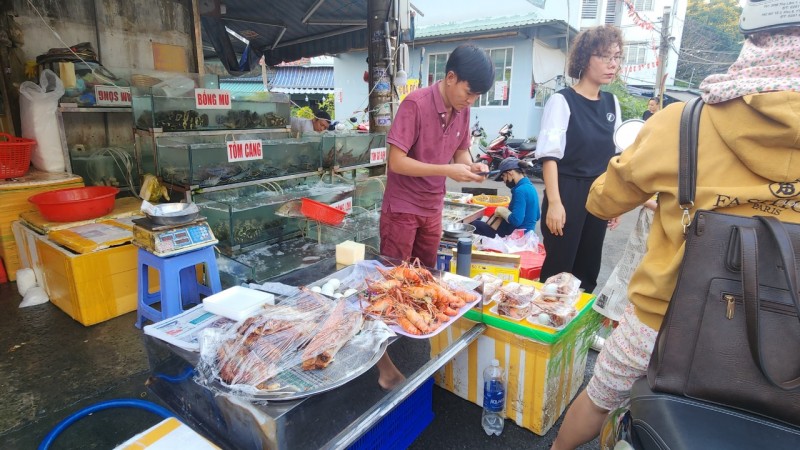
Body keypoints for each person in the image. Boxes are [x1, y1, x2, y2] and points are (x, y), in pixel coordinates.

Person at [550, 4, 800, 449]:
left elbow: (603, 197)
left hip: (666, 315)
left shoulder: (686, 122)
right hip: (789, 332)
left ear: (753, 41)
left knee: (598, 398)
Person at [376, 43, 495, 390]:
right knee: (392, 284)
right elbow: (395, 162)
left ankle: (413, 349)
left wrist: (470, 163)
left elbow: (460, 149)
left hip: (432, 207)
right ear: (450, 77)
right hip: (402, 208)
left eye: (476, 97)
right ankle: (382, 362)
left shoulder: (462, 109)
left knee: (425, 281)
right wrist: (449, 169)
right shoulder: (415, 104)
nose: (470, 101)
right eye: (468, 92)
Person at [535, 25, 623, 293]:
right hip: (566, 191)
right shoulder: (562, 101)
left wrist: (614, 201)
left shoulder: (612, 103)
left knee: (587, 270)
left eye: (617, 57)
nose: (613, 64)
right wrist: (555, 204)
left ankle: (573, 331)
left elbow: (616, 157)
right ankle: (545, 329)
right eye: (605, 56)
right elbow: (550, 157)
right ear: (585, 59)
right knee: (558, 272)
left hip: (598, 193)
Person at [472, 157, 540, 238]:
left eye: (503, 176)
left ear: (510, 173)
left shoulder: (520, 191)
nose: (504, 181)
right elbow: (537, 216)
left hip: (516, 238)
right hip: (526, 236)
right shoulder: (531, 187)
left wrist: (503, 212)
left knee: (474, 224)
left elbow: (516, 220)